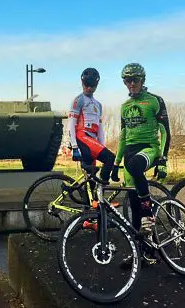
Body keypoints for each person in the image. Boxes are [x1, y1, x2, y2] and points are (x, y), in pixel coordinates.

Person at [109, 63, 170, 266]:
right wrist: (116, 164)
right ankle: (143, 253)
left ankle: (149, 213)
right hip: (129, 153)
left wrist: (162, 160)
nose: (132, 83)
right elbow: (124, 136)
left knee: (136, 167)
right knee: (134, 208)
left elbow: (165, 132)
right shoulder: (124, 106)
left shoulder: (155, 101)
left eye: (135, 79)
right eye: (128, 80)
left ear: (143, 80)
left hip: (149, 149)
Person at [68, 68, 117, 182]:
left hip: (92, 140)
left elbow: (99, 128)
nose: (89, 88)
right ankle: (103, 184)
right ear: (82, 83)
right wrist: (74, 146)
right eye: (86, 85)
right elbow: (71, 123)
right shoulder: (79, 100)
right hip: (82, 136)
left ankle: (93, 197)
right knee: (110, 158)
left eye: (92, 85)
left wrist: (102, 145)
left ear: (97, 84)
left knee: (91, 181)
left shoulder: (98, 105)